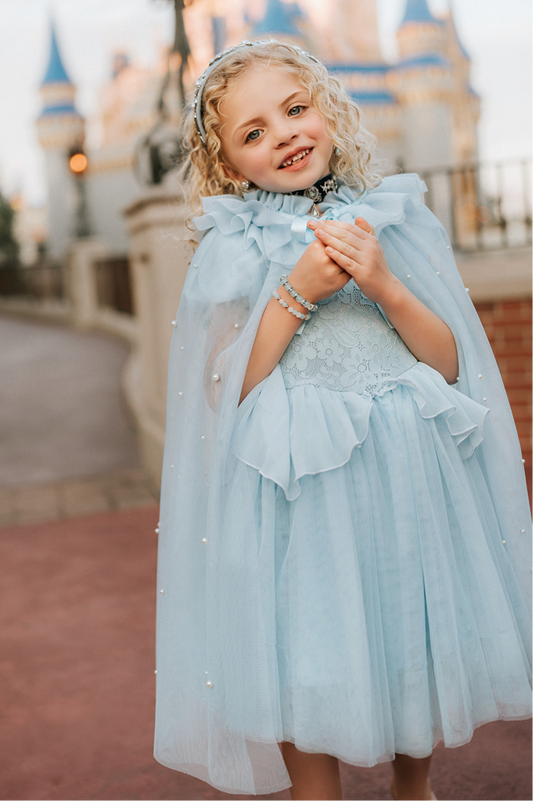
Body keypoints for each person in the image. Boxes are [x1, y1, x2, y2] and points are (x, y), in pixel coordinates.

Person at [154, 40, 533, 801]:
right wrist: (295, 291)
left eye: (295, 109)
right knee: (304, 641)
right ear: (227, 163)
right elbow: (226, 386)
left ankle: (412, 784)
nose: (284, 134)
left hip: (404, 462)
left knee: (409, 621)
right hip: (300, 481)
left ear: (326, 108)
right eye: (253, 131)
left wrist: (382, 282)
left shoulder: (394, 216)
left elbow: (448, 361)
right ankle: (314, 792)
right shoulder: (232, 247)